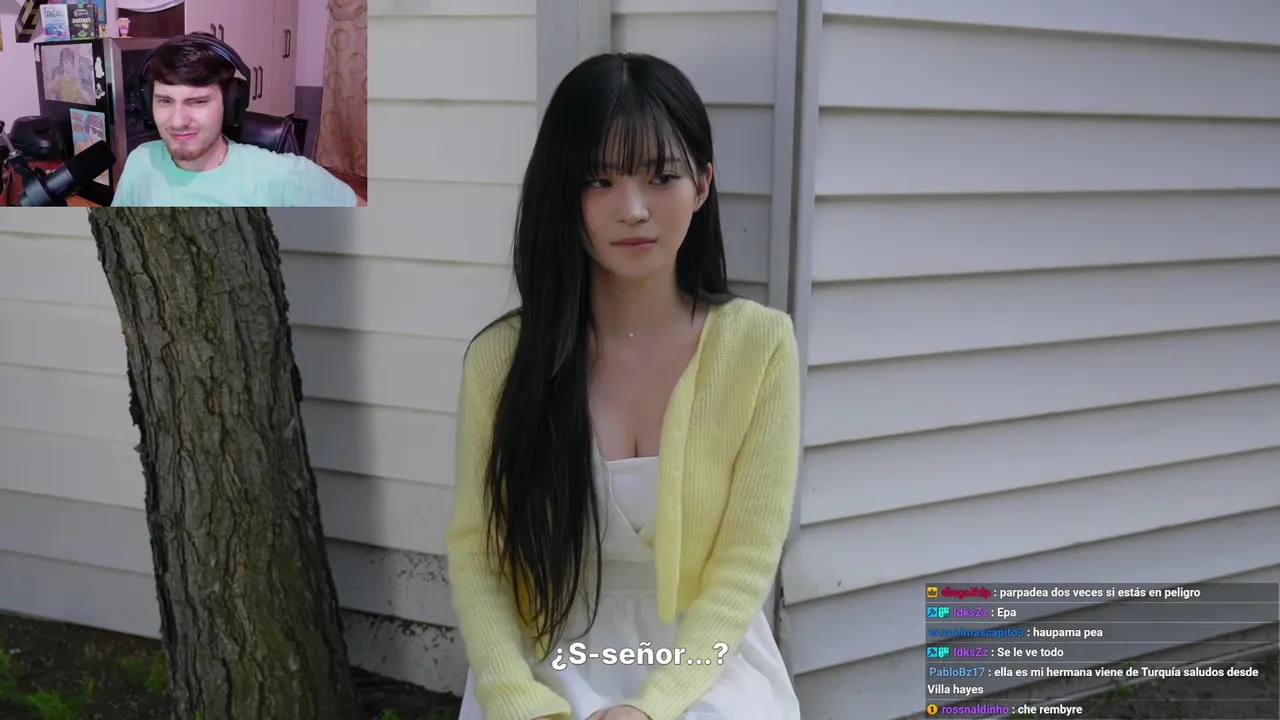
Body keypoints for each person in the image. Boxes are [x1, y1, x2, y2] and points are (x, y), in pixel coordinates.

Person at [447, 52, 803, 720]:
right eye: (600, 180)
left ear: (702, 185)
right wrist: (520, 701)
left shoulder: (760, 347)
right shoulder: (503, 360)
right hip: (548, 657)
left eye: (661, 177)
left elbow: (746, 563)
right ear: (563, 193)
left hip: (705, 662)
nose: (633, 209)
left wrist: (652, 707)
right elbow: (479, 556)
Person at [111, 32, 362, 207]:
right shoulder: (140, 162)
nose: (178, 121)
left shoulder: (284, 177)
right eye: (165, 101)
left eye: (197, 101)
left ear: (231, 104)